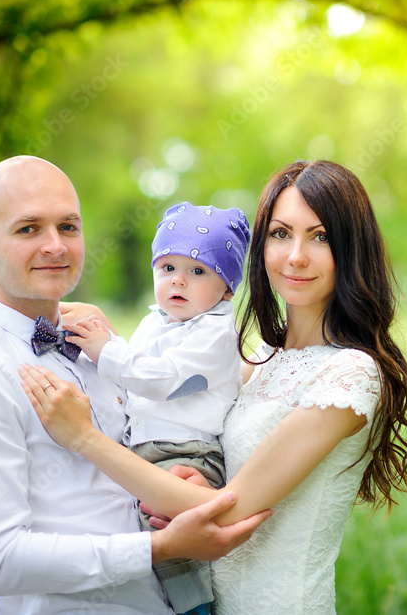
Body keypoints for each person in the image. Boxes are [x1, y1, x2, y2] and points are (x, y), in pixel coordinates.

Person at [20, 159, 407, 614]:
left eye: (320, 237)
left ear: (352, 250)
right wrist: (196, 478)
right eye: (280, 233)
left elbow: (227, 512)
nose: (296, 255)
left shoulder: (350, 375)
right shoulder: (261, 359)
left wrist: (83, 438)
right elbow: (179, 391)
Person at [0, 155, 269, 615]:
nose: (55, 246)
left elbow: (166, 418)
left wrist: (179, 481)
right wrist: (161, 548)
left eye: (68, 227)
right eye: (29, 229)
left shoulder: (96, 347)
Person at [65, 201, 251, 615]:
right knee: (137, 530)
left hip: (185, 453)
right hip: (145, 448)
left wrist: (106, 350)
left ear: (226, 288)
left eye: (198, 271)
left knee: (174, 540)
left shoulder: (217, 333)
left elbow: (166, 379)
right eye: (168, 268)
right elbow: (133, 374)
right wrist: (103, 341)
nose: (178, 280)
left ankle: (194, 608)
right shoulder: (157, 321)